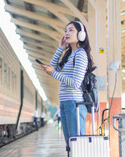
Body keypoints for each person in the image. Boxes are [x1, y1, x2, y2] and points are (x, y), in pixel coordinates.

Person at [40, 21, 94, 151]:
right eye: (65, 30)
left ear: (81, 34)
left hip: (74, 103)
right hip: (65, 102)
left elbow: (75, 82)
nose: (66, 33)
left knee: (77, 144)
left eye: (71, 30)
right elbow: (53, 67)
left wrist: (53, 73)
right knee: (70, 145)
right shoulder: (70, 55)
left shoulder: (80, 54)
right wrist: (60, 48)